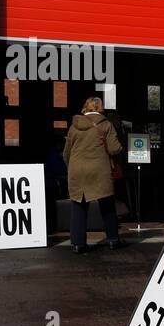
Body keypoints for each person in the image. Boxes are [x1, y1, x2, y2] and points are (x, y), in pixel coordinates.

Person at [63, 96, 125, 253]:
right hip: (99, 169)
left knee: (78, 206)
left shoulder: (73, 126)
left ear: (86, 107)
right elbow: (113, 148)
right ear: (100, 108)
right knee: (107, 205)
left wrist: (72, 167)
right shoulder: (106, 124)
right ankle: (112, 239)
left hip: (77, 170)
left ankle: (78, 244)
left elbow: (66, 153)